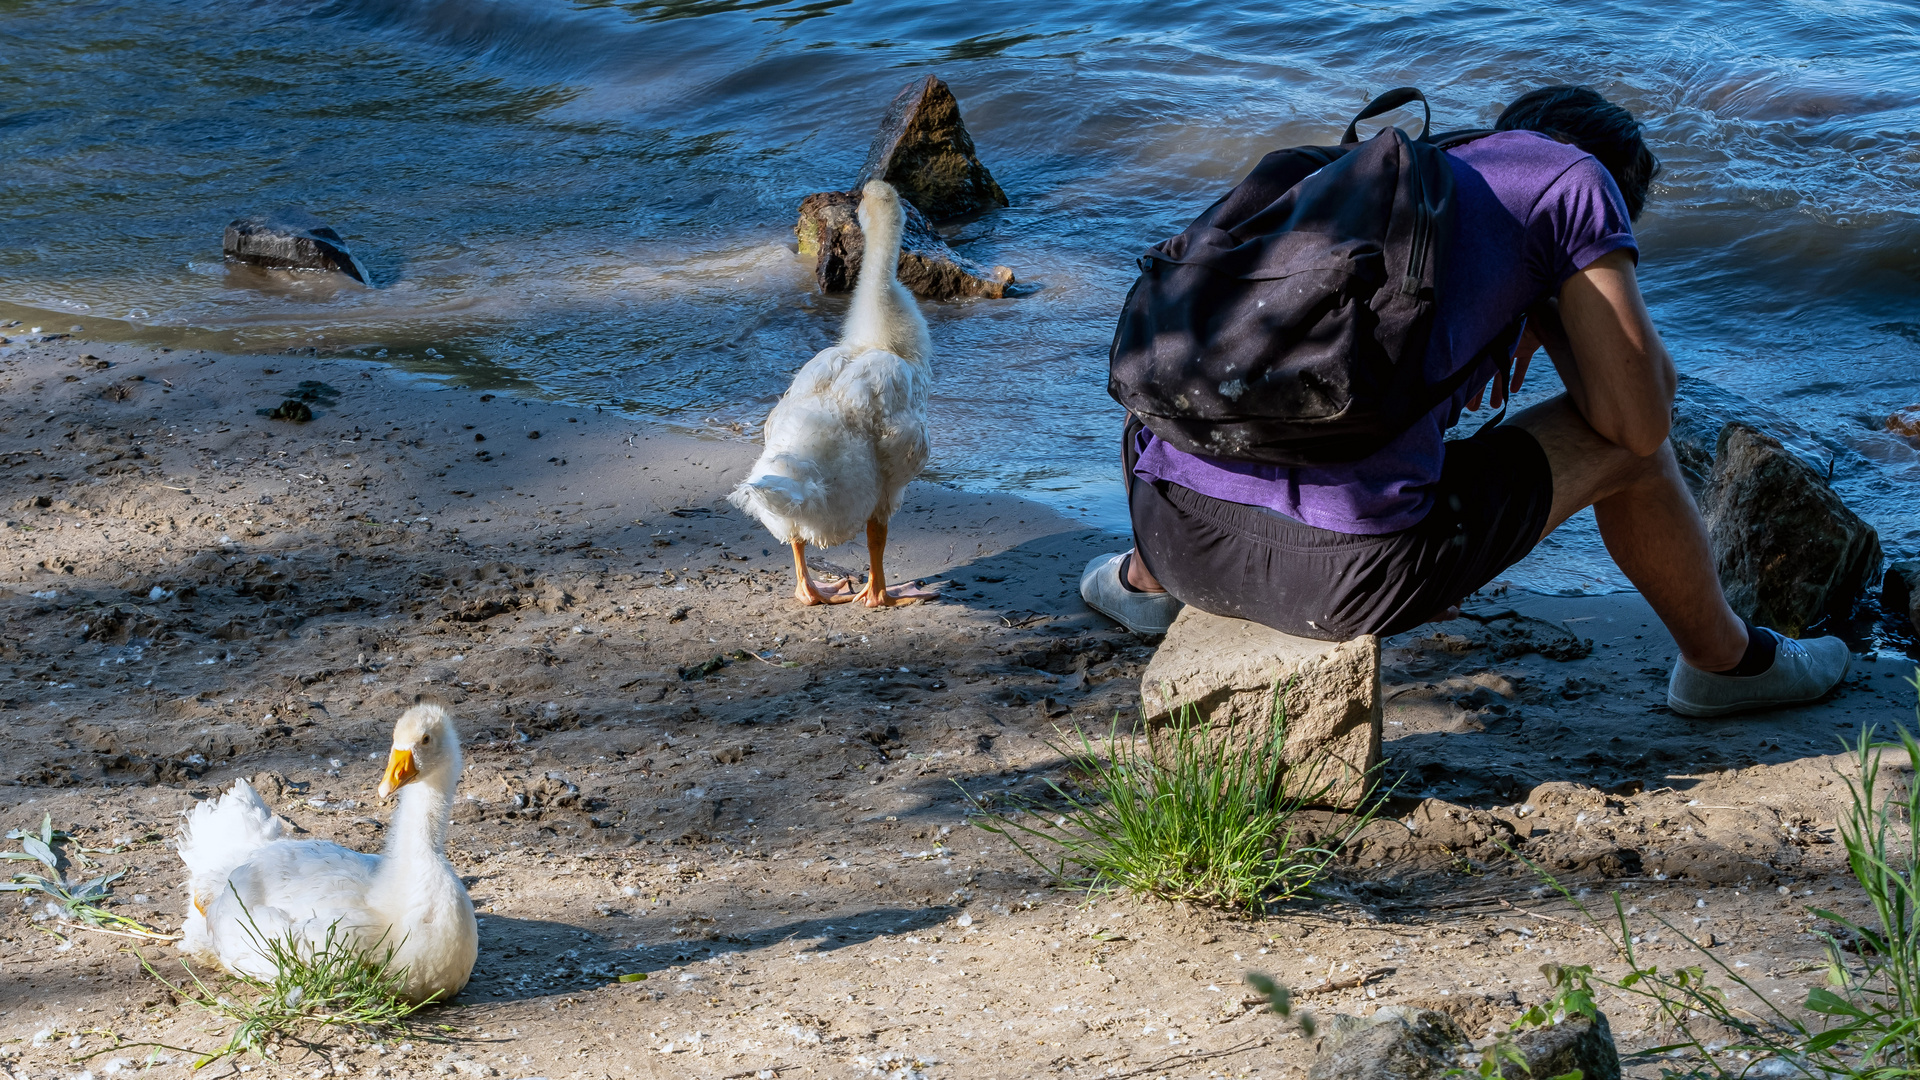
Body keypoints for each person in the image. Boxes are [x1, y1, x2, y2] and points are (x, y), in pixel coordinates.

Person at [1081, 85, 1849, 719]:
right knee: (1628, 454)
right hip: (1332, 584)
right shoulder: (1576, 185)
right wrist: (1555, 299)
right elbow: (1643, 418)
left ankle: (1141, 586)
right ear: (1612, 188)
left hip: (1172, 532)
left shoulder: (1390, 176)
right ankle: (1725, 663)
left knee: (1216, 349)